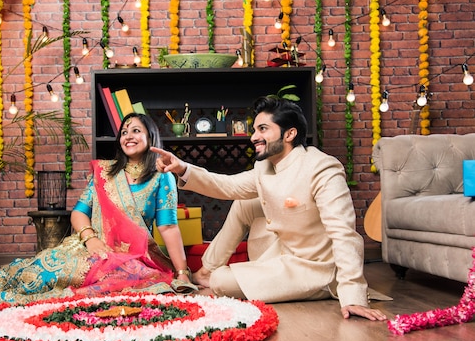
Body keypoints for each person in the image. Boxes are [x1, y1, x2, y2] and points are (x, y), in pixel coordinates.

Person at [152, 96, 387, 321]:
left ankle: (220, 277)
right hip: (281, 250)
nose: (254, 137)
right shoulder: (264, 168)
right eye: (255, 130)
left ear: (290, 134)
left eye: (263, 129)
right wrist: (182, 168)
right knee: (244, 203)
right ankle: (206, 270)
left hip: (315, 268)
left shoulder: (322, 169)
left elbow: (344, 234)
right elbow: (226, 185)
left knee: (222, 282)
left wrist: (353, 296)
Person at [0, 113, 196, 306]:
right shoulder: (105, 172)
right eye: (124, 132)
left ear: (150, 137)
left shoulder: (162, 177)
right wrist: (90, 239)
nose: (128, 136)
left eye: (136, 131)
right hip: (91, 246)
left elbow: (168, 226)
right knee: (38, 275)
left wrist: (182, 272)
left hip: (131, 257)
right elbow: (79, 212)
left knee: (130, 280)